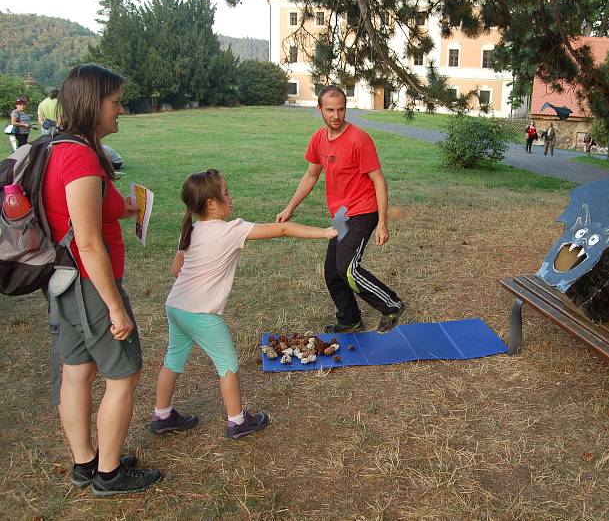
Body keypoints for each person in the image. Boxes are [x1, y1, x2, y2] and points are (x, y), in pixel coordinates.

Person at [41, 64, 161, 496]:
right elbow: (88, 242)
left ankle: (84, 463)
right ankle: (109, 474)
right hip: (91, 283)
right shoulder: (78, 156)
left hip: (64, 281)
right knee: (122, 375)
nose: (121, 110)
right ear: (92, 105)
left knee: (76, 372)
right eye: (115, 102)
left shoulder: (60, 147)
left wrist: (123, 209)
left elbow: (73, 216)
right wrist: (115, 307)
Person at [150, 169, 338, 439]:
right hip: (202, 314)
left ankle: (162, 415)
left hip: (176, 307)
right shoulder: (230, 229)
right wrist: (324, 232)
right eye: (226, 192)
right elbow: (282, 229)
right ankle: (237, 422)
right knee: (227, 364)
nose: (231, 196)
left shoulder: (191, 229)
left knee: (173, 359)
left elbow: (175, 269)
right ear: (211, 203)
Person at [277, 85, 404, 335]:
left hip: (364, 210)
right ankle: (350, 320)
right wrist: (290, 207)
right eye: (330, 110)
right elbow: (311, 175)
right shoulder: (318, 139)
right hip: (342, 215)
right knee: (333, 271)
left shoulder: (359, 139)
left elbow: (379, 180)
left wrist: (382, 222)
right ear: (320, 110)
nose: (336, 116)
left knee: (347, 267)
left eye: (341, 109)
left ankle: (392, 304)